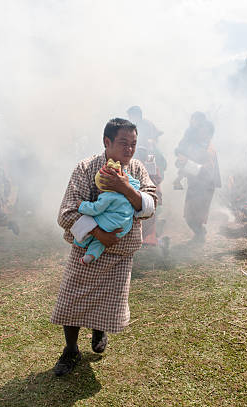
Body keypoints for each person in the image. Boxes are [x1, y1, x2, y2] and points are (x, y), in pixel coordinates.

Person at [51, 118, 157, 376]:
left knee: (108, 304)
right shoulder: (86, 168)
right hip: (86, 251)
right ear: (106, 142)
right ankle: (71, 349)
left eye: (133, 144)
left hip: (121, 255)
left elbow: (150, 205)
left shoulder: (137, 170)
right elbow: (66, 213)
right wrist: (99, 233)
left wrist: (124, 188)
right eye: (123, 143)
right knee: (71, 303)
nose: (129, 150)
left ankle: (99, 329)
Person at [75, 158, 140, 264]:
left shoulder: (108, 196)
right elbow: (135, 182)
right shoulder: (129, 189)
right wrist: (124, 174)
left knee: (91, 224)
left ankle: (79, 243)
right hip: (123, 227)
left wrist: (81, 205)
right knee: (100, 243)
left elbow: (95, 209)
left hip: (109, 223)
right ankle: (90, 256)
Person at [174, 112, 221, 243]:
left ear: (209, 133)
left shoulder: (209, 149)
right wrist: (180, 174)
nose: (200, 132)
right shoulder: (195, 144)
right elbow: (185, 159)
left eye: (204, 131)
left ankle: (200, 235)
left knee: (196, 217)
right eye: (200, 130)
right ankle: (200, 234)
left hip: (205, 187)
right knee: (188, 216)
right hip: (194, 184)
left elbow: (206, 170)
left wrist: (186, 163)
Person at [127, 106, 168, 247]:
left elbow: (157, 165)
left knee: (154, 202)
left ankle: (154, 236)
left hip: (150, 175)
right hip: (136, 177)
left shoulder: (150, 145)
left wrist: (153, 177)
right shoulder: (128, 130)